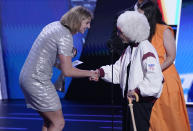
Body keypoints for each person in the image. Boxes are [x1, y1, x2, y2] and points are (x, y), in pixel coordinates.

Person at [19, 6, 98, 131]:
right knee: (58, 123)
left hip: (27, 78)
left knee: (49, 121)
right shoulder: (65, 36)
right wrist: (91, 73)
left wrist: (67, 61)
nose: (88, 26)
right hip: (37, 81)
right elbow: (67, 71)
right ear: (78, 20)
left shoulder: (54, 26)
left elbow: (49, 59)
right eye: (87, 23)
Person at [93, 11, 163, 131]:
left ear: (131, 31)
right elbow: (118, 70)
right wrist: (100, 72)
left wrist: (137, 91)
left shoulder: (145, 48)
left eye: (120, 32)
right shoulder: (130, 49)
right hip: (129, 101)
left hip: (140, 103)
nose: (118, 34)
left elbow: (155, 78)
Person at [137, 1, 191, 131]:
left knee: (169, 115)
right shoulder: (143, 32)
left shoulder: (164, 30)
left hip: (165, 77)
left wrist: (154, 71)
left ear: (150, 15)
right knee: (154, 116)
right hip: (149, 78)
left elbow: (171, 57)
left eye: (142, 15)